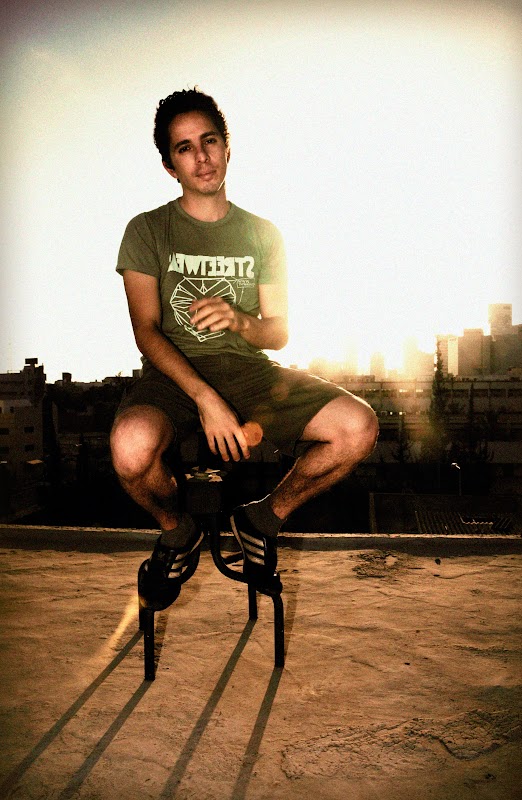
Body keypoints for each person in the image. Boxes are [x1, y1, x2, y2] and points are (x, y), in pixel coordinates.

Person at [111, 88, 378, 608]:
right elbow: (146, 330)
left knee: (358, 427)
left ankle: (260, 520)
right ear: (169, 166)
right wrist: (206, 398)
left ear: (227, 147)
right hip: (173, 376)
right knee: (129, 447)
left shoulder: (263, 234)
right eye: (185, 148)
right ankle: (177, 531)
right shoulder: (147, 230)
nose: (201, 157)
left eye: (209, 141)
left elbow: (278, 333)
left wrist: (240, 320)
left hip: (250, 373)